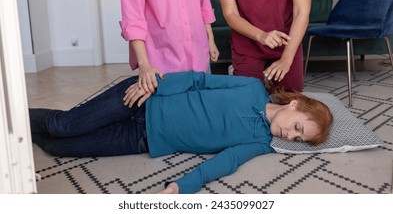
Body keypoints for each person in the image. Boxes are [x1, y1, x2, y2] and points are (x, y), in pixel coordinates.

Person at [29, 71, 333, 194]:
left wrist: (182, 186)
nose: (289, 136)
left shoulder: (262, 142)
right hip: (143, 99)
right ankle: (12, 117)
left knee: (59, 148)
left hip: (143, 139)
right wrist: (153, 85)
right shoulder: (251, 87)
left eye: (297, 139)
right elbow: (198, 80)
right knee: (62, 126)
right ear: (294, 104)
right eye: (297, 127)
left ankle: (15, 136)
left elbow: (227, 162)